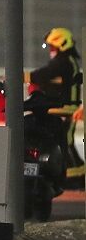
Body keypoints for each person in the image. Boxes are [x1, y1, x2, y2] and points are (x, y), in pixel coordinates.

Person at [26, 28, 83, 178]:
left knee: (66, 142)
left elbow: (42, 74)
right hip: (66, 109)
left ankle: (74, 175)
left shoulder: (63, 62)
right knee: (64, 141)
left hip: (65, 110)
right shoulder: (68, 61)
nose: (51, 50)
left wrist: (26, 77)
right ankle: (73, 174)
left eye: (53, 47)